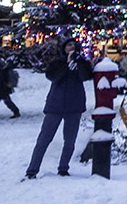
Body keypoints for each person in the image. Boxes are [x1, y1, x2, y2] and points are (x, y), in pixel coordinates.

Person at [25, 38, 92, 179]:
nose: (71, 48)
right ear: (63, 48)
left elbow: (86, 76)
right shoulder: (57, 63)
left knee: (70, 141)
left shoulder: (82, 63)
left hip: (74, 108)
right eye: (68, 45)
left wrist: (78, 63)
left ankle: (63, 168)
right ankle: (32, 170)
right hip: (55, 107)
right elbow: (53, 77)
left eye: (74, 45)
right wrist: (67, 64)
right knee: (44, 140)